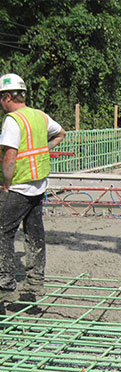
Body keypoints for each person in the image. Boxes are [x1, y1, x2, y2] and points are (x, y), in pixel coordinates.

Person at [0, 73, 66, 316]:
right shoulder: (39, 116)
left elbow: (9, 156)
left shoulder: (12, 120)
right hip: (39, 185)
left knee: (2, 232)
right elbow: (61, 133)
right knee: (34, 232)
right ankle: (35, 282)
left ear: (7, 97)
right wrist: (43, 151)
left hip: (18, 186)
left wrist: (4, 184)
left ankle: (5, 285)